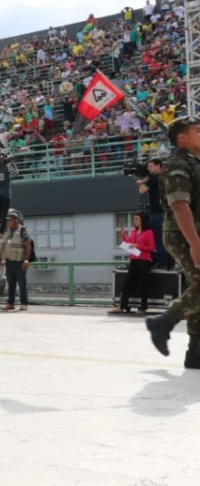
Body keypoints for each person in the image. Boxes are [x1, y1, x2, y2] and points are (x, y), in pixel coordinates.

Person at [146, 118, 200, 368]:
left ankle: (196, 353)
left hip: (193, 234)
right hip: (183, 235)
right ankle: (164, 321)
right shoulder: (178, 163)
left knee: (198, 288)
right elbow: (179, 206)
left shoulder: (195, 163)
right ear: (182, 138)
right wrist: (195, 244)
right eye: (198, 131)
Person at [110, 212, 155, 314]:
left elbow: (151, 247)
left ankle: (142, 308)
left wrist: (138, 246)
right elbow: (128, 242)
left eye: (136, 219)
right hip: (134, 260)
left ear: (142, 220)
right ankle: (121, 306)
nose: (134, 221)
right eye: (134, 219)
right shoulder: (134, 231)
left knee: (142, 284)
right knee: (126, 283)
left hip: (144, 261)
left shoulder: (149, 232)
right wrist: (123, 234)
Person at [0, 209, 32, 311]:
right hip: (9, 261)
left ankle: (24, 303)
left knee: (22, 283)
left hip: (19, 262)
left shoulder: (22, 231)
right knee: (10, 283)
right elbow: (3, 245)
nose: (8, 222)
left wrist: (26, 260)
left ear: (16, 221)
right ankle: (10, 303)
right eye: (7, 220)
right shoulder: (7, 231)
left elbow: (28, 246)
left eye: (10, 220)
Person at [138, 158, 169, 269]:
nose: (148, 169)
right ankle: (167, 264)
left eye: (150, 166)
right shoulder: (164, 176)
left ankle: (161, 263)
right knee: (164, 239)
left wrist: (143, 182)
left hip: (157, 213)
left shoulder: (154, 178)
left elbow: (142, 190)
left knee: (157, 239)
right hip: (165, 211)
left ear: (158, 166)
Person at [0, 154, 18, 236]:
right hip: (5, 194)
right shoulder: (6, 167)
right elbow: (16, 173)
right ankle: (2, 231)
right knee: (4, 214)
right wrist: (13, 162)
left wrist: (4, 161)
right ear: (0, 159)